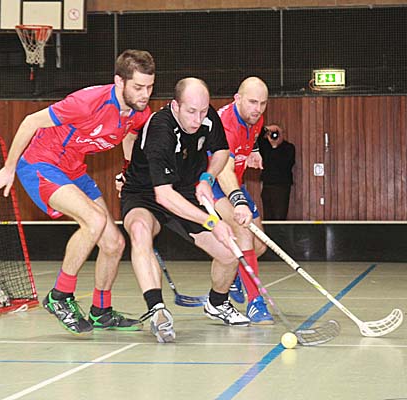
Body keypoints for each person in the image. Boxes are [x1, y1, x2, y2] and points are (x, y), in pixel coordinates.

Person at [0, 49, 156, 335]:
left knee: (114, 243)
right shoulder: (87, 102)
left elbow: (131, 134)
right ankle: (59, 296)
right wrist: (9, 167)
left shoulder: (140, 112)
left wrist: (127, 170)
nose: (145, 94)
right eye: (138, 87)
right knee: (94, 220)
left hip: (74, 169)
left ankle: (101, 311)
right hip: (41, 163)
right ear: (120, 81)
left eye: (150, 87)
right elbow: (30, 121)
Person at [121, 77, 250, 343]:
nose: (198, 119)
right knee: (140, 231)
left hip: (186, 191)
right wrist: (213, 222)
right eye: (191, 112)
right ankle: (157, 311)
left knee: (229, 254)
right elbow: (163, 195)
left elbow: (222, 152)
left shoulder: (206, 115)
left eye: (202, 111)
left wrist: (207, 178)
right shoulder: (160, 129)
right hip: (145, 194)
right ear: (175, 106)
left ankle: (217, 303)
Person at [214, 77, 273, 324]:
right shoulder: (225, 126)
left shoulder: (255, 118)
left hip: (234, 181)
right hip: (211, 182)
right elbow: (223, 170)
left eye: (262, 103)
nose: (258, 109)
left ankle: (237, 274)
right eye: (252, 102)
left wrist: (254, 150)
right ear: (237, 99)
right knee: (243, 233)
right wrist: (238, 202)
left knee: (260, 245)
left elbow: (250, 134)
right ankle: (255, 302)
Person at [258, 123, 295, 220]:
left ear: (282, 133)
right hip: (267, 185)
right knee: (268, 216)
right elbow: (256, 137)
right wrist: (266, 129)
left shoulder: (288, 148)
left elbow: (286, 164)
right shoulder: (265, 146)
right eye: (272, 133)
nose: (274, 135)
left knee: (280, 216)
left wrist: (275, 147)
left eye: (277, 132)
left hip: (282, 186)